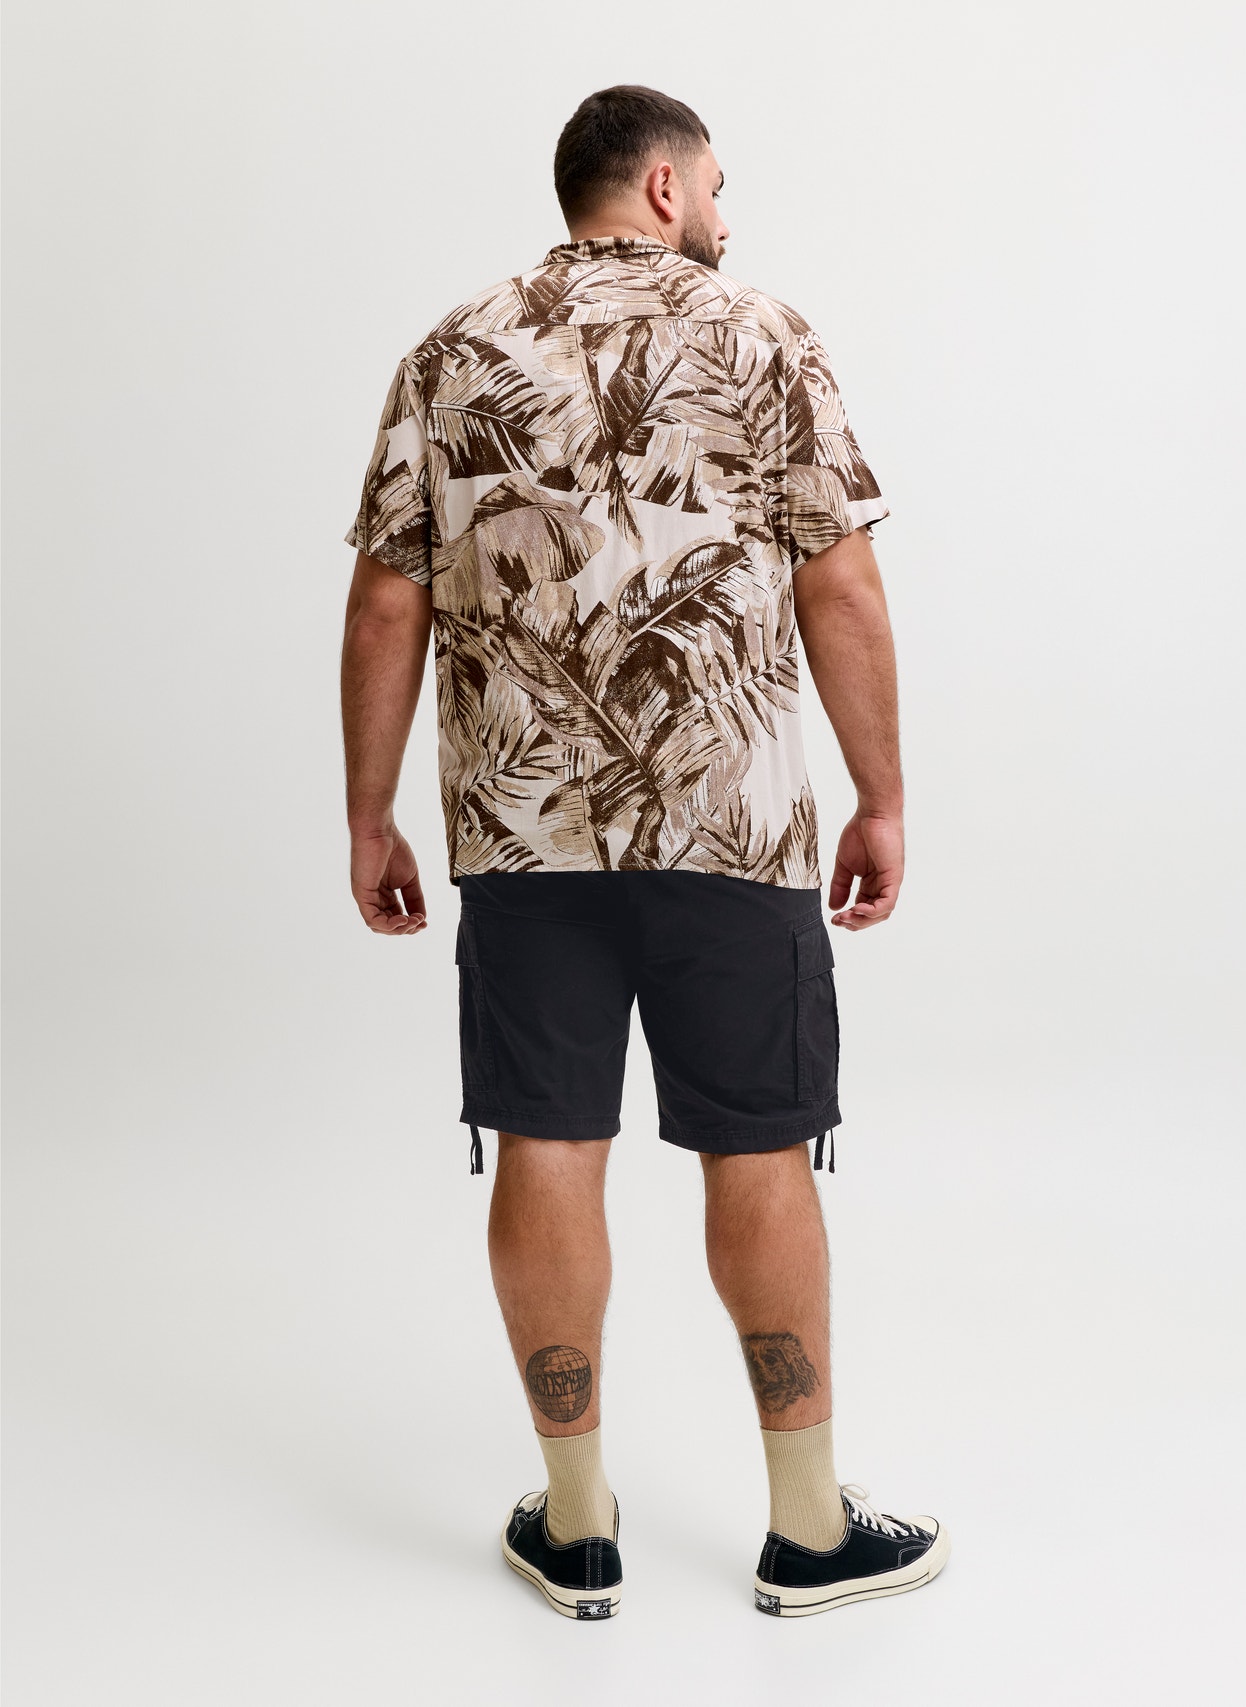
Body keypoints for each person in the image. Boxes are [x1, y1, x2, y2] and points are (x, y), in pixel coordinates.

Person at [339, 84, 949, 1621]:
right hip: (726, 827)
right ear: (665, 186)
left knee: (548, 1140)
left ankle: (576, 1524)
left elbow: (387, 603)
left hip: (525, 832)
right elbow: (843, 588)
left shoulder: (452, 351)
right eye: (719, 187)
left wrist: (369, 812)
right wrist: (881, 796)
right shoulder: (764, 337)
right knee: (758, 1147)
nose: (728, 217)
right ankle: (808, 1529)